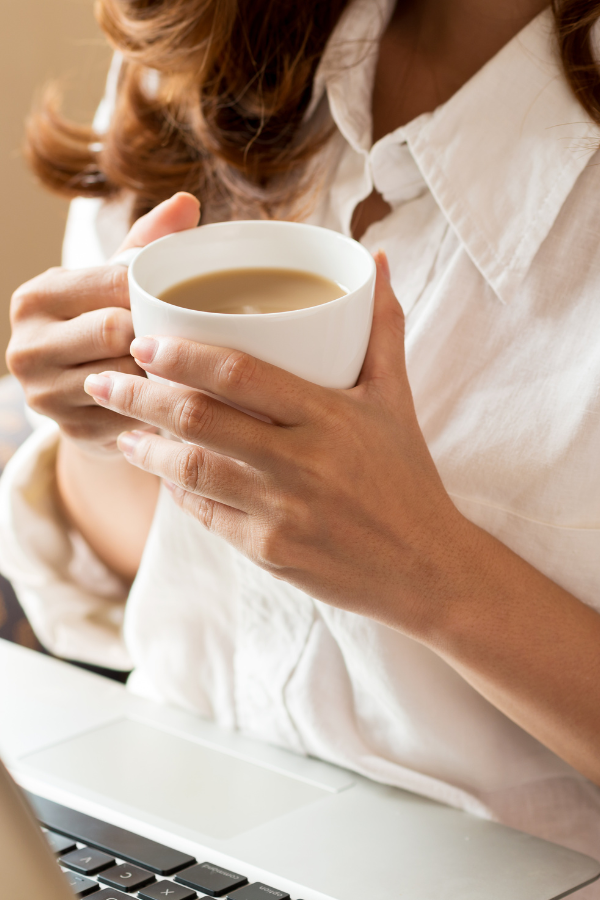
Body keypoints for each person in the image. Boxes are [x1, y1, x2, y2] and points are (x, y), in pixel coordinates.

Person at [2, 0, 600, 887]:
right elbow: (163, 571)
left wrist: (429, 571)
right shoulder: (205, 39)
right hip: (171, 812)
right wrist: (103, 420)